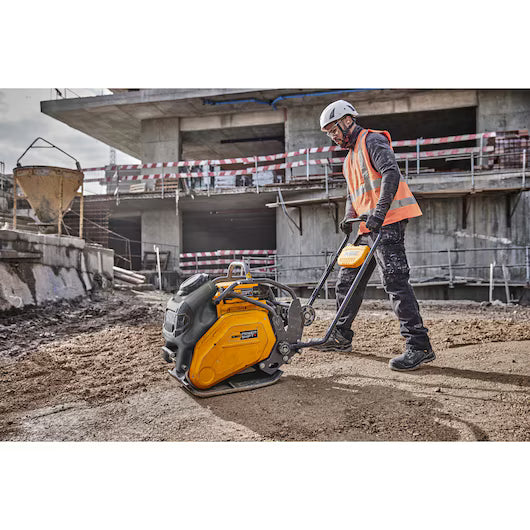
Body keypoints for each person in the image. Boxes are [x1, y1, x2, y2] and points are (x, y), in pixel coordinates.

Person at [317, 100, 435, 371]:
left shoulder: (372, 141)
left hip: (388, 222)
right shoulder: (349, 159)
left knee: (395, 281)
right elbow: (353, 193)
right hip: (366, 227)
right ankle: (340, 335)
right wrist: (348, 216)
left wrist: (379, 213)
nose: (332, 136)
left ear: (347, 121)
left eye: (333, 130)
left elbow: (391, 174)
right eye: (328, 133)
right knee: (347, 281)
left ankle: (419, 346)